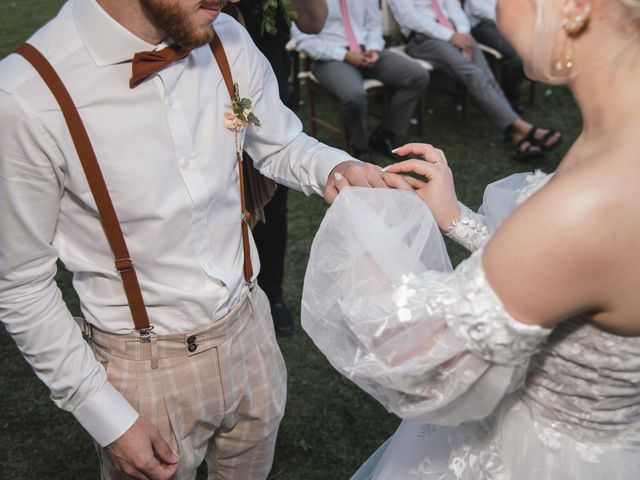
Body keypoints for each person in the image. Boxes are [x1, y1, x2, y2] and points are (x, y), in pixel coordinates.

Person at [0, 0, 388, 478]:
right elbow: (20, 284)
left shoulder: (226, 35)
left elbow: (281, 143)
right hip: (142, 370)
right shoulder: (25, 94)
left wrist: (334, 166)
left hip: (251, 330)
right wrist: (106, 415)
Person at [301, 0, 640, 478]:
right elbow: (568, 277)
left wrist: (365, 222)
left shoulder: (597, 200)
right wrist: (455, 217)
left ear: (575, 7)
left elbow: (422, 370)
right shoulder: (616, 139)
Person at [226, 0, 327, 336]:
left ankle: (273, 293)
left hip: (272, 93)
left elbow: (314, 23)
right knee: (220, 195)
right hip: (210, 85)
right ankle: (230, 297)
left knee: (275, 200)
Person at [387, 0, 562, 161]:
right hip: (423, 38)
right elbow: (410, 19)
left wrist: (462, 33)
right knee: (473, 75)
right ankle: (523, 127)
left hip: (456, 33)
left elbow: (454, 8)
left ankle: (517, 137)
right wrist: (450, 36)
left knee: (487, 77)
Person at [292, 0, 431, 162]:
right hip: (329, 57)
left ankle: (385, 134)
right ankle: (360, 148)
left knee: (417, 75)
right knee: (355, 95)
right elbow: (304, 41)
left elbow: (374, 24)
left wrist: (373, 48)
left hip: (365, 50)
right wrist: (344, 55)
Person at [464, 0, 526, 111]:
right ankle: (509, 101)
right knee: (517, 57)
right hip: (481, 25)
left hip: (501, 22)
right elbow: (476, 7)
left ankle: (506, 87)